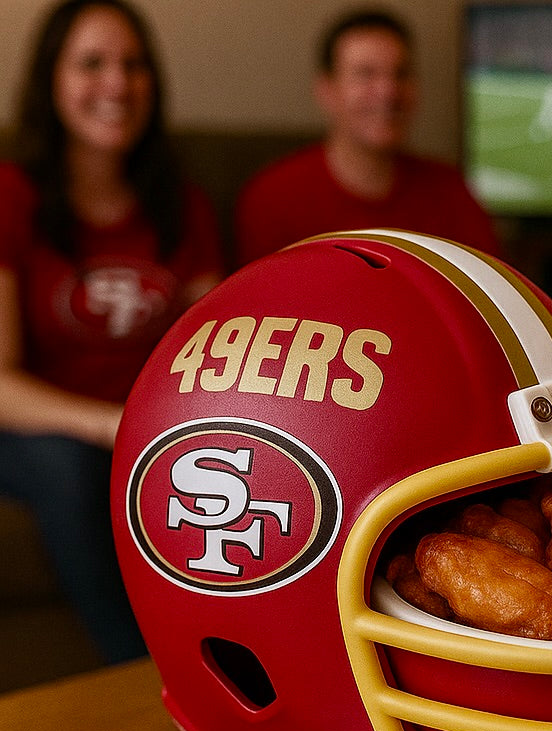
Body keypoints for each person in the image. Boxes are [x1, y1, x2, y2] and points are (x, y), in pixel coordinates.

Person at [0, 0, 223, 663]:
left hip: (144, 436)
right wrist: (109, 424)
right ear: (52, 81)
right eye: (92, 64)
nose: (117, 85)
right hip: (38, 434)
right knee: (73, 468)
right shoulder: (12, 195)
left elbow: (212, 357)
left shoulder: (181, 204)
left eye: (132, 65)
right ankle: (140, 673)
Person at [234, 8, 501, 266]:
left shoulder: (452, 194)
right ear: (327, 90)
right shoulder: (273, 199)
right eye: (366, 74)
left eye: (401, 73)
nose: (388, 91)